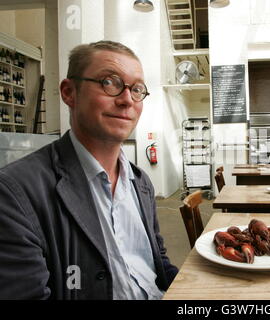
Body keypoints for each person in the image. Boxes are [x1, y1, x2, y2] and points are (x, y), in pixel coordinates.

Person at [0, 40, 178, 299]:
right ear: (69, 92)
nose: (127, 99)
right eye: (110, 82)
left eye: (137, 89)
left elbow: (157, 264)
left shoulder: (141, 183)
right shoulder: (15, 193)